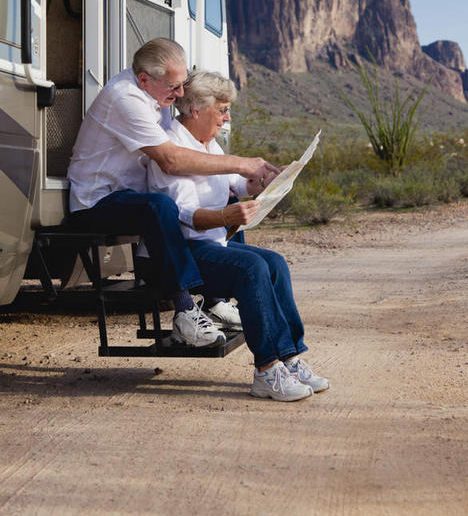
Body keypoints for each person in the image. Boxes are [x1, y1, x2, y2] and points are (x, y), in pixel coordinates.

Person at [67, 38, 278, 348]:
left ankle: (215, 300)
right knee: (159, 206)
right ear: (144, 79)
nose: (180, 94)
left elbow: (183, 157)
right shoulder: (125, 98)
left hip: (129, 193)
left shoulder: (156, 96)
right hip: (96, 201)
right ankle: (184, 311)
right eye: (174, 87)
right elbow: (171, 159)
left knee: (214, 198)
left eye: (182, 86)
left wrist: (254, 180)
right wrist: (244, 164)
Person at [148, 70, 330, 402]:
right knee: (252, 268)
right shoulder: (173, 146)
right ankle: (266, 370)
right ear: (196, 110)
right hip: (184, 252)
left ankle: (289, 358)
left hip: (211, 246)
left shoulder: (208, 143)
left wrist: (263, 183)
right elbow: (184, 217)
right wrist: (225, 216)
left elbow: (236, 183)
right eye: (222, 109)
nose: (227, 117)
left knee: (274, 263)